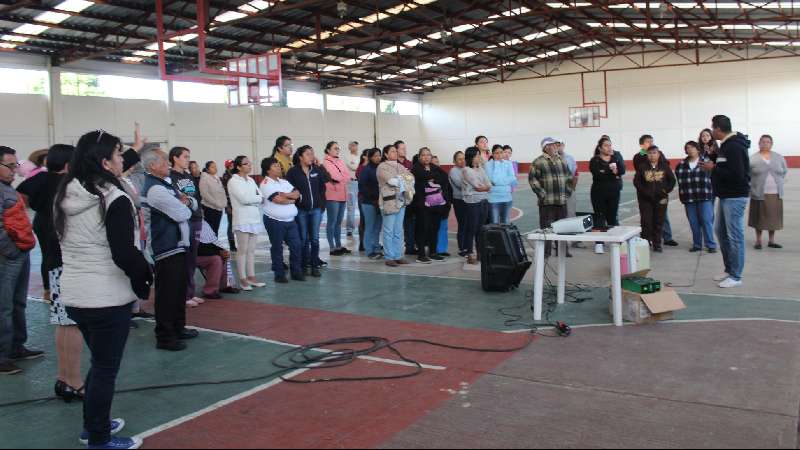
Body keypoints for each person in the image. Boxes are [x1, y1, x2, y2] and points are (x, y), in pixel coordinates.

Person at [54, 130, 152, 449]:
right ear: (104, 161)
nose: (123, 160)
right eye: (118, 154)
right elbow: (124, 253)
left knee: (99, 364)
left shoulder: (68, 191)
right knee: (106, 369)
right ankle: (98, 438)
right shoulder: (114, 198)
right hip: (106, 297)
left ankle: (93, 424)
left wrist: (135, 149)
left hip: (76, 293)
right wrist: (144, 280)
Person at [17, 144, 85, 397]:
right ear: (69, 164)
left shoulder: (39, 181)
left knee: (64, 321)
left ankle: (65, 379)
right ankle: (74, 382)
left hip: (53, 258)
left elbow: (20, 197)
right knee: (72, 322)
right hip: (68, 260)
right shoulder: (69, 186)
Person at [141, 148, 197, 352]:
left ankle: (178, 327)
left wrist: (187, 202)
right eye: (164, 160)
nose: (168, 164)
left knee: (179, 290)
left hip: (177, 245)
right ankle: (165, 336)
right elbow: (182, 213)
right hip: (165, 246)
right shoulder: (156, 189)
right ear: (152, 166)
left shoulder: (166, 184)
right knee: (167, 293)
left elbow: (190, 202)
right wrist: (186, 204)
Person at [0, 146, 42, 376]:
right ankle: (2, 355)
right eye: (10, 166)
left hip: (20, 253)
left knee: (17, 303)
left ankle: (16, 346)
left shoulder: (8, 188)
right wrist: (11, 250)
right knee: (4, 307)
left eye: (16, 165)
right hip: (9, 256)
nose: (15, 170)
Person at [703, 115, 751, 288]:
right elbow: (726, 166)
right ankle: (729, 269)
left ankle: (736, 276)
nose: (711, 131)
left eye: (712, 128)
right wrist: (715, 158)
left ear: (717, 128)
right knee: (721, 232)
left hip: (735, 196)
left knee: (735, 236)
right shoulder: (726, 146)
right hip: (725, 196)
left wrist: (713, 167)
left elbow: (737, 174)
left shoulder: (734, 146)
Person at [169, 147, 204, 308]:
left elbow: (195, 196)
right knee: (184, 258)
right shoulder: (171, 177)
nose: (188, 160)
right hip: (184, 220)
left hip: (196, 218)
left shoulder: (188, 175)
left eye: (189, 157)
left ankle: (190, 292)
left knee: (192, 258)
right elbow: (179, 199)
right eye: (185, 157)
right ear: (175, 158)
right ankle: (183, 294)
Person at [260, 157, 305, 284]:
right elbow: (277, 200)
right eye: (275, 166)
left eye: (279, 165)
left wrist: (284, 195)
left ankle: (296, 272)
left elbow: (297, 194)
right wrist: (290, 199)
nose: (279, 167)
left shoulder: (283, 182)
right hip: (274, 221)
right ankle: (279, 274)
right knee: (277, 247)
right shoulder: (265, 184)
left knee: (296, 245)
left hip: (290, 220)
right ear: (268, 170)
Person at [529, 138, 574, 258]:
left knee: (562, 228)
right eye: (553, 145)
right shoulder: (538, 162)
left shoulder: (561, 160)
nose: (556, 147)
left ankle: (562, 250)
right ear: (546, 147)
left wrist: (567, 192)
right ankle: (546, 252)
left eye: (556, 145)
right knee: (546, 228)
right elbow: (533, 180)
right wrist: (542, 194)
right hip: (547, 202)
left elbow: (569, 177)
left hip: (561, 201)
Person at [286, 145, 326, 278]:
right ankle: (303, 266)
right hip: (301, 210)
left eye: (312, 153)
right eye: (308, 154)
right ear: (300, 157)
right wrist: (299, 201)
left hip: (316, 210)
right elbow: (290, 190)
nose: (311, 156)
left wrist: (320, 204)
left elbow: (323, 185)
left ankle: (315, 266)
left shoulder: (316, 170)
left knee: (314, 239)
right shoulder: (293, 172)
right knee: (303, 239)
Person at [228, 156, 266, 290]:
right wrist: (256, 199)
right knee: (242, 250)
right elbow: (244, 199)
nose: (249, 166)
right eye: (246, 164)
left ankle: (251, 277)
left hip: (254, 218)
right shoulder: (233, 181)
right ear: (238, 167)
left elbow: (261, 196)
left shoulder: (250, 180)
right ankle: (243, 279)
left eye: (249, 163)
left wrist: (255, 199)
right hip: (242, 219)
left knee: (251, 251)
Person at [634, 135, 679, 247]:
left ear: (658, 154)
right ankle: (645, 241)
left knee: (659, 221)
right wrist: (644, 192)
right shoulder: (641, 164)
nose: (652, 155)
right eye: (650, 153)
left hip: (661, 198)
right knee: (646, 221)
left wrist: (664, 191)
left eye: (655, 153)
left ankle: (658, 242)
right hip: (645, 198)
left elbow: (672, 180)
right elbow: (637, 181)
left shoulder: (664, 165)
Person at [675, 141, 717, 253]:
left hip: (705, 196)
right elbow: (680, 181)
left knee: (706, 221)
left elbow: (714, 176)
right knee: (693, 222)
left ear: (698, 149)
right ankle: (697, 244)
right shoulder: (681, 165)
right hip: (689, 197)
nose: (690, 149)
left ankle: (711, 245)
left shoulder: (706, 162)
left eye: (692, 147)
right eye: (687, 148)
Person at [411, 147, 451, 263]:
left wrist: (431, 177)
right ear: (419, 157)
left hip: (436, 204)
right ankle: (421, 254)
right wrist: (431, 177)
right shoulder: (416, 168)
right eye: (423, 155)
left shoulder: (435, 167)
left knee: (434, 228)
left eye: (428, 155)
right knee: (422, 228)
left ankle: (433, 252)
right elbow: (422, 176)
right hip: (422, 204)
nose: (426, 157)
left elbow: (443, 177)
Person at [749, 135, 787, 250]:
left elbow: (784, 171)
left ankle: (771, 241)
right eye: (763, 142)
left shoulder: (779, 157)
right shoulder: (753, 158)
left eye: (768, 142)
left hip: (775, 193)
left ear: (771, 144)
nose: (765, 144)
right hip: (759, 193)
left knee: (773, 217)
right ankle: (758, 241)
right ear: (759, 143)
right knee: (759, 217)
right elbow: (747, 174)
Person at [378, 144, 414, 267]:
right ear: (386, 154)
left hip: (401, 201)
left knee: (399, 230)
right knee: (389, 230)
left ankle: (398, 255)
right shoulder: (382, 167)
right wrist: (402, 179)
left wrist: (402, 179)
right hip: (389, 202)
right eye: (392, 151)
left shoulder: (400, 166)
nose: (395, 153)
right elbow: (391, 181)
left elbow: (411, 178)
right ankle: (389, 257)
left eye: (395, 151)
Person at [590, 137, 625, 254]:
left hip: (614, 192)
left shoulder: (616, 158)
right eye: (606, 145)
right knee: (599, 217)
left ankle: (614, 241)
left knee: (612, 217)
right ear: (600, 148)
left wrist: (615, 172)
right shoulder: (595, 160)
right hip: (598, 193)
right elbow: (598, 174)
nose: (609, 147)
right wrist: (612, 173)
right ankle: (599, 243)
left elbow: (622, 170)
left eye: (610, 145)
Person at [462, 147, 491, 265]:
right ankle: (470, 253)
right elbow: (478, 186)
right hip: (472, 202)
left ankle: (480, 253)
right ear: (470, 157)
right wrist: (485, 188)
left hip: (483, 201)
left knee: (481, 229)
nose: (479, 158)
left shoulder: (480, 169)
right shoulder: (466, 170)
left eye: (479, 155)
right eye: (477, 155)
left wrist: (485, 187)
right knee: (472, 229)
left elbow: (488, 183)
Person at [196, 220, 240, 299]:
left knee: (223, 255)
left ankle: (225, 285)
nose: (201, 211)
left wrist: (221, 250)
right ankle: (210, 290)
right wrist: (218, 252)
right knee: (216, 259)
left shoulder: (204, 224)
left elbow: (213, 242)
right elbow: (197, 248)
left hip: (203, 253)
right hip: (192, 255)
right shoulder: (189, 223)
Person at [322, 141, 352, 256]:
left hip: (342, 194)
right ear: (328, 150)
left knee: (339, 222)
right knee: (332, 222)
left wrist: (341, 178)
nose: (337, 150)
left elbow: (347, 176)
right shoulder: (326, 162)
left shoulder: (339, 161)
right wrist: (341, 178)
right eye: (335, 148)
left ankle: (339, 245)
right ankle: (332, 247)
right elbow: (335, 176)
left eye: (338, 148)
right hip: (332, 195)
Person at [359, 148, 383, 260]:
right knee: (369, 227)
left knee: (378, 227)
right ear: (370, 157)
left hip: (380, 202)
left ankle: (376, 248)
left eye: (379, 155)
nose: (378, 157)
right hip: (369, 203)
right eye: (375, 156)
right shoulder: (366, 170)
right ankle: (369, 251)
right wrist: (374, 198)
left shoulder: (381, 168)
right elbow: (362, 187)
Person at [486, 144, 518, 224]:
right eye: (496, 153)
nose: (499, 155)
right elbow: (493, 180)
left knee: (506, 223)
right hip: (493, 199)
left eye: (501, 152)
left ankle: (504, 237)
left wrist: (499, 182)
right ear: (492, 154)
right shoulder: (488, 165)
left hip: (507, 198)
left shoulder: (508, 163)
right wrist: (506, 181)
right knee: (494, 223)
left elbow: (513, 179)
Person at [558, 142, 581, 252]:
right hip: (556, 192)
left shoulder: (570, 158)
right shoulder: (548, 159)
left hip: (569, 190)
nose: (558, 147)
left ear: (563, 145)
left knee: (571, 213)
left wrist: (572, 188)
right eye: (556, 144)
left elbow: (575, 174)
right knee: (558, 215)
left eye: (560, 144)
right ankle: (558, 241)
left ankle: (572, 239)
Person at [199, 161, 227, 235]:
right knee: (210, 230)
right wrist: (216, 203)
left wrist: (224, 203)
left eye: (215, 166)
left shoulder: (216, 177)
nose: (215, 168)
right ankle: (210, 246)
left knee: (216, 230)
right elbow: (205, 194)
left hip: (219, 208)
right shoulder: (204, 178)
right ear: (207, 169)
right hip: (210, 208)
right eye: (212, 167)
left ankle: (215, 245)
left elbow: (221, 192)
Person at [449, 151, 469, 257]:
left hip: (468, 200)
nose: (462, 161)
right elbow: (461, 184)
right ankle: (462, 248)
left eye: (463, 158)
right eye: (459, 159)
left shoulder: (467, 169)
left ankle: (467, 246)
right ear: (454, 161)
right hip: (459, 200)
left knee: (468, 224)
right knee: (463, 224)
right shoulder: (453, 171)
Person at [345, 141, 360, 238]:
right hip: (351, 183)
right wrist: (361, 166)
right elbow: (354, 167)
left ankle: (362, 228)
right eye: (352, 145)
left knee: (363, 206)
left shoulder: (359, 157)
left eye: (356, 145)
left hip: (360, 182)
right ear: (349, 147)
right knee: (351, 207)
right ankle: (350, 229)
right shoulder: (347, 157)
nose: (354, 147)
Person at [221, 160, 237, 252]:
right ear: (228, 166)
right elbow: (225, 192)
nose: (233, 166)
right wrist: (227, 206)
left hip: (236, 203)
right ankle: (232, 244)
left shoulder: (234, 176)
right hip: (230, 204)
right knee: (231, 224)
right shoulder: (226, 177)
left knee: (236, 223)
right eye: (231, 165)